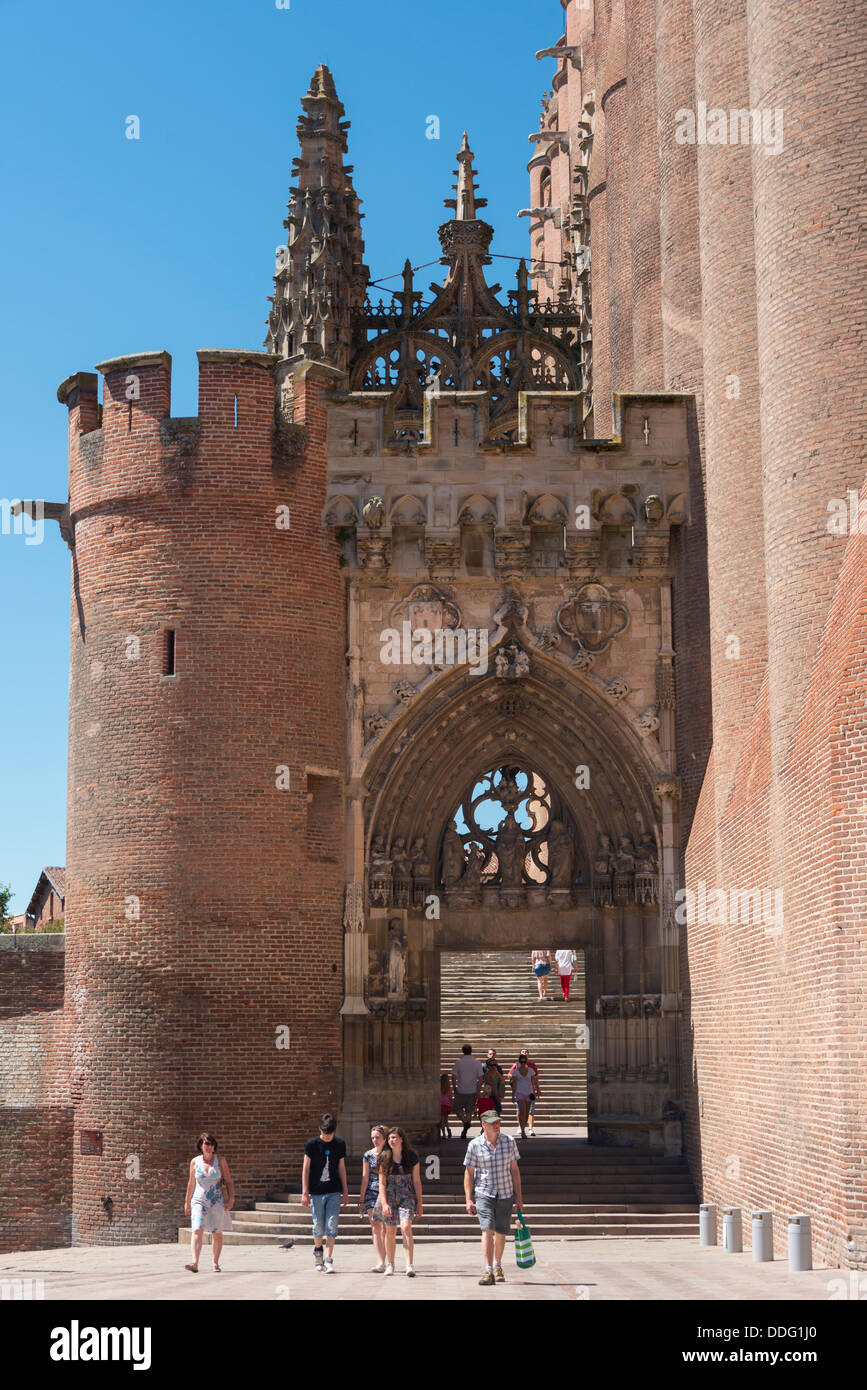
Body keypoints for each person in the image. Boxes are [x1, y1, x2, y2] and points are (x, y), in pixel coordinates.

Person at [464, 1111, 523, 1286]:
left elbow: (514, 1170)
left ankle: (497, 1265)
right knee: (487, 1230)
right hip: (484, 1193)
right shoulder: (475, 1145)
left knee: (501, 1231)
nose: (496, 1125)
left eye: (498, 1122)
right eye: (492, 1123)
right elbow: (469, 1173)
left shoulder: (509, 1142)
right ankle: (488, 1269)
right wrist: (468, 1198)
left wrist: (519, 1197)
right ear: (483, 1125)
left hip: (505, 1193)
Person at [302, 1112, 349, 1273]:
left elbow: (341, 1168)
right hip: (316, 1192)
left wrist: (345, 1190)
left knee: (332, 1224)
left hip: (334, 1190)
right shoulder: (312, 1144)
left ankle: (329, 1260)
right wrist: (304, 1192)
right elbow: (306, 1169)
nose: (327, 1136)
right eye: (324, 1133)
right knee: (318, 1226)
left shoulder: (340, 1144)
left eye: (330, 1133)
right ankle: (318, 1254)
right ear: (319, 1129)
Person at [373, 1126, 423, 1277]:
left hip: (406, 1195)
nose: (391, 1140)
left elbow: (416, 1181)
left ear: (401, 1139)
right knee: (390, 1230)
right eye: (389, 1138)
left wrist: (419, 1203)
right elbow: (381, 1183)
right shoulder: (383, 1157)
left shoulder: (412, 1157)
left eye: (394, 1137)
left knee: (406, 1226)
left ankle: (409, 1264)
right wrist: (384, 1203)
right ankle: (391, 1264)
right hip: (389, 1195)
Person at [184, 1131, 234, 1273]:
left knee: (216, 1232)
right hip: (199, 1200)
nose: (209, 1146)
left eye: (211, 1144)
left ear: (214, 1146)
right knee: (197, 1228)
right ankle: (195, 1262)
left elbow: (229, 1181)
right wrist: (187, 1202)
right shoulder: (195, 1162)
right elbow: (191, 1183)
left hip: (217, 1201)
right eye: (206, 1143)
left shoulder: (221, 1161)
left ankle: (215, 1263)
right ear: (201, 1145)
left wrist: (231, 1199)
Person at [359, 1124, 389, 1271]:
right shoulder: (368, 1155)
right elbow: (365, 1178)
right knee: (375, 1226)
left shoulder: (389, 1154)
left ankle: (388, 1259)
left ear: (384, 1138)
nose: (375, 1140)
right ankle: (380, 1261)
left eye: (378, 1137)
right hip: (371, 1192)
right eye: (373, 1138)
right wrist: (361, 1198)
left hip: (386, 1192)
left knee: (385, 1227)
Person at [452, 1043, 484, 1140]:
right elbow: (481, 1078)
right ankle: (466, 1123)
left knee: (456, 1108)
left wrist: (454, 1088)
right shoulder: (477, 1063)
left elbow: (453, 1076)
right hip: (472, 1090)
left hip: (461, 1090)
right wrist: (478, 1089)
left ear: (463, 1051)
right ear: (471, 1051)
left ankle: (465, 1123)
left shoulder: (459, 1062)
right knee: (469, 1111)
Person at [510, 1048, 541, 1137]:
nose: (523, 1064)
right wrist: (513, 1095)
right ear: (519, 1062)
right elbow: (514, 1084)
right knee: (522, 1111)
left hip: (529, 1093)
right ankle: (523, 1131)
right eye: (522, 1062)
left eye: (525, 1062)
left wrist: (538, 1090)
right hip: (520, 1093)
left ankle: (524, 1127)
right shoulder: (515, 1071)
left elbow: (535, 1081)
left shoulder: (530, 1070)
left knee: (527, 1113)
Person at [439, 1072, 453, 1139]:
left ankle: (444, 1134)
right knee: (446, 1120)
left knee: (441, 1120)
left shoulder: (439, 1087)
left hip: (440, 1104)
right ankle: (448, 1129)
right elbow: (450, 1098)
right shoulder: (449, 1088)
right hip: (447, 1105)